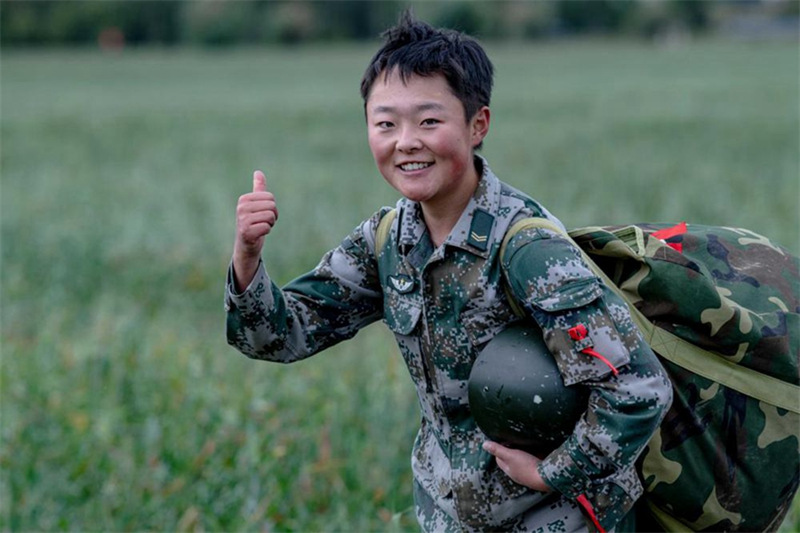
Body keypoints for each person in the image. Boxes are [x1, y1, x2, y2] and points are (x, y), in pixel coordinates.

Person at [225, 11, 672, 533]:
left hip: (557, 518)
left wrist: (554, 473)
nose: (406, 142)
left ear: (478, 124)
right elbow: (280, 336)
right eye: (385, 123)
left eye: (429, 121)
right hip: (449, 514)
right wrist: (247, 258)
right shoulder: (388, 239)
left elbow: (639, 387)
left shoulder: (527, 249)